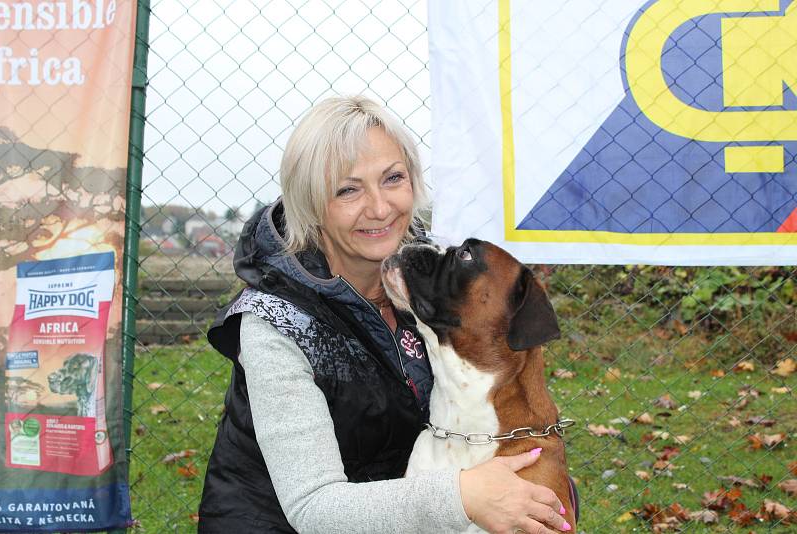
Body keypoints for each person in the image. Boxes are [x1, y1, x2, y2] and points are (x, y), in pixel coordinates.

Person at [198, 95, 573, 533]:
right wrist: (464, 495)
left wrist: (535, 486)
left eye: (393, 178)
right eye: (348, 189)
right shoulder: (272, 323)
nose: (379, 208)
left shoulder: (431, 281)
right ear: (311, 204)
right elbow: (313, 509)